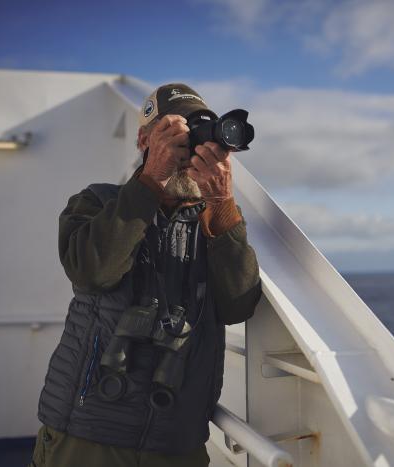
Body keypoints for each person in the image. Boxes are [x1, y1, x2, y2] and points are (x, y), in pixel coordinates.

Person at [29, 83, 262, 467]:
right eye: (176, 134)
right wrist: (152, 179)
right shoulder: (98, 202)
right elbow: (91, 272)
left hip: (178, 441)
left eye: (197, 137)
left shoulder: (213, 221)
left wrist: (222, 206)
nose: (190, 150)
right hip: (89, 431)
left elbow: (238, 304)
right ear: (143, 139)